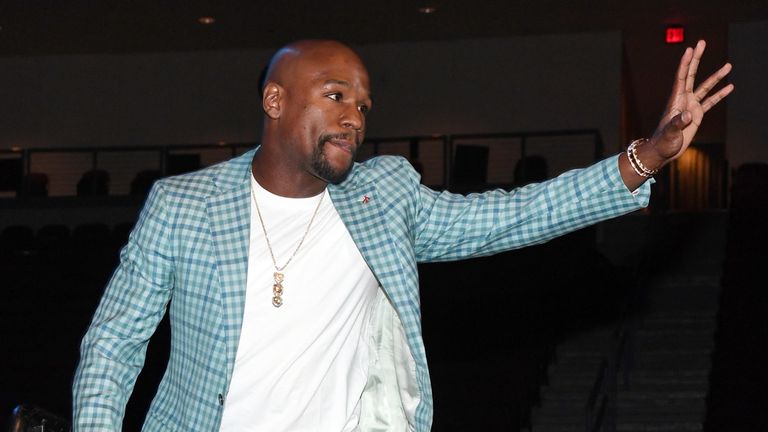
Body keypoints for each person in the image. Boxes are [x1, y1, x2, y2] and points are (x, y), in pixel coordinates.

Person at [72, 39, 733, 431]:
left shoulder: (380, 195)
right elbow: (112, 347)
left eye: (362, 105)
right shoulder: (183, 204)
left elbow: (511, 215)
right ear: (275, 102)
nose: (355, 117)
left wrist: (643, 157)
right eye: (335, 96)